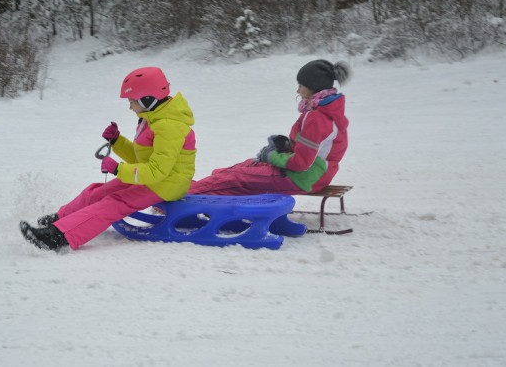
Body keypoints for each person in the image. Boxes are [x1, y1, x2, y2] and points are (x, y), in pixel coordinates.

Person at [20, 67, 197, 251]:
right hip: (154, 179)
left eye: (131, 101)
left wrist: (118, 169)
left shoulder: (169, 126)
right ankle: (60, 219)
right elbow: (141, 159)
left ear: (147, 99)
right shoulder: (152, 119)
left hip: (167, 183)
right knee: (96, 192)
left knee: (114, 203)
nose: (130, 106)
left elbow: (157, 170)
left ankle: (58, 237)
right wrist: (117, 141)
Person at [188, 59, 351, 196]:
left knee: (235, 178)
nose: (298, 90)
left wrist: (271, 156)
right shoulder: (326, 111)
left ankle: (185, 198)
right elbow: (316, 150)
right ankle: (198, 191)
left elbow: (301, 163)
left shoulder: (317, 118)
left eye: (301, 85)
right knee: (241, 167)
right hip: (313, 175)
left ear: (312, 87)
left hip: (303, 178)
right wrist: (286, 145)